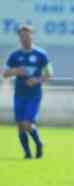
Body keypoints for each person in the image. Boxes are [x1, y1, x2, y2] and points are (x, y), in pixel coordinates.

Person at [2, 25, 53, 159]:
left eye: (27, 35)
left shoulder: (40, 54)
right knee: (20, 125)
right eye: (22, 36)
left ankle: (38, 143)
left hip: (34, 94)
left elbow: (49, 74)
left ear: (32, 36)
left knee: (27, 123)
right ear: (19, 37)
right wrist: (16, 71)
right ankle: (28, 153)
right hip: (19, 93)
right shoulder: (15, 55)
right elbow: (5, 73)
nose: (25, 38)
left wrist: (36, 80)